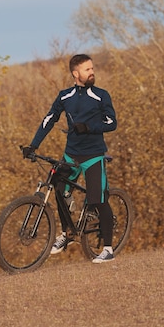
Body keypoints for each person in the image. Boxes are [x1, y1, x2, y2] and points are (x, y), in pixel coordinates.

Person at [22, 53, 117, 263]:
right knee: (58, 189)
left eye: (92, 69)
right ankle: (67, 234)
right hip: (70, 155)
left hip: (93, 155)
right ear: (76, 74)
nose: (92, 72)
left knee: (98, 200)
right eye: (87, 70)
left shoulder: (101, 95)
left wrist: (90, 127)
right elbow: (49, 119)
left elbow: (111, 123)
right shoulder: (65, 96)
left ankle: (108, 250)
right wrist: (33, 145)